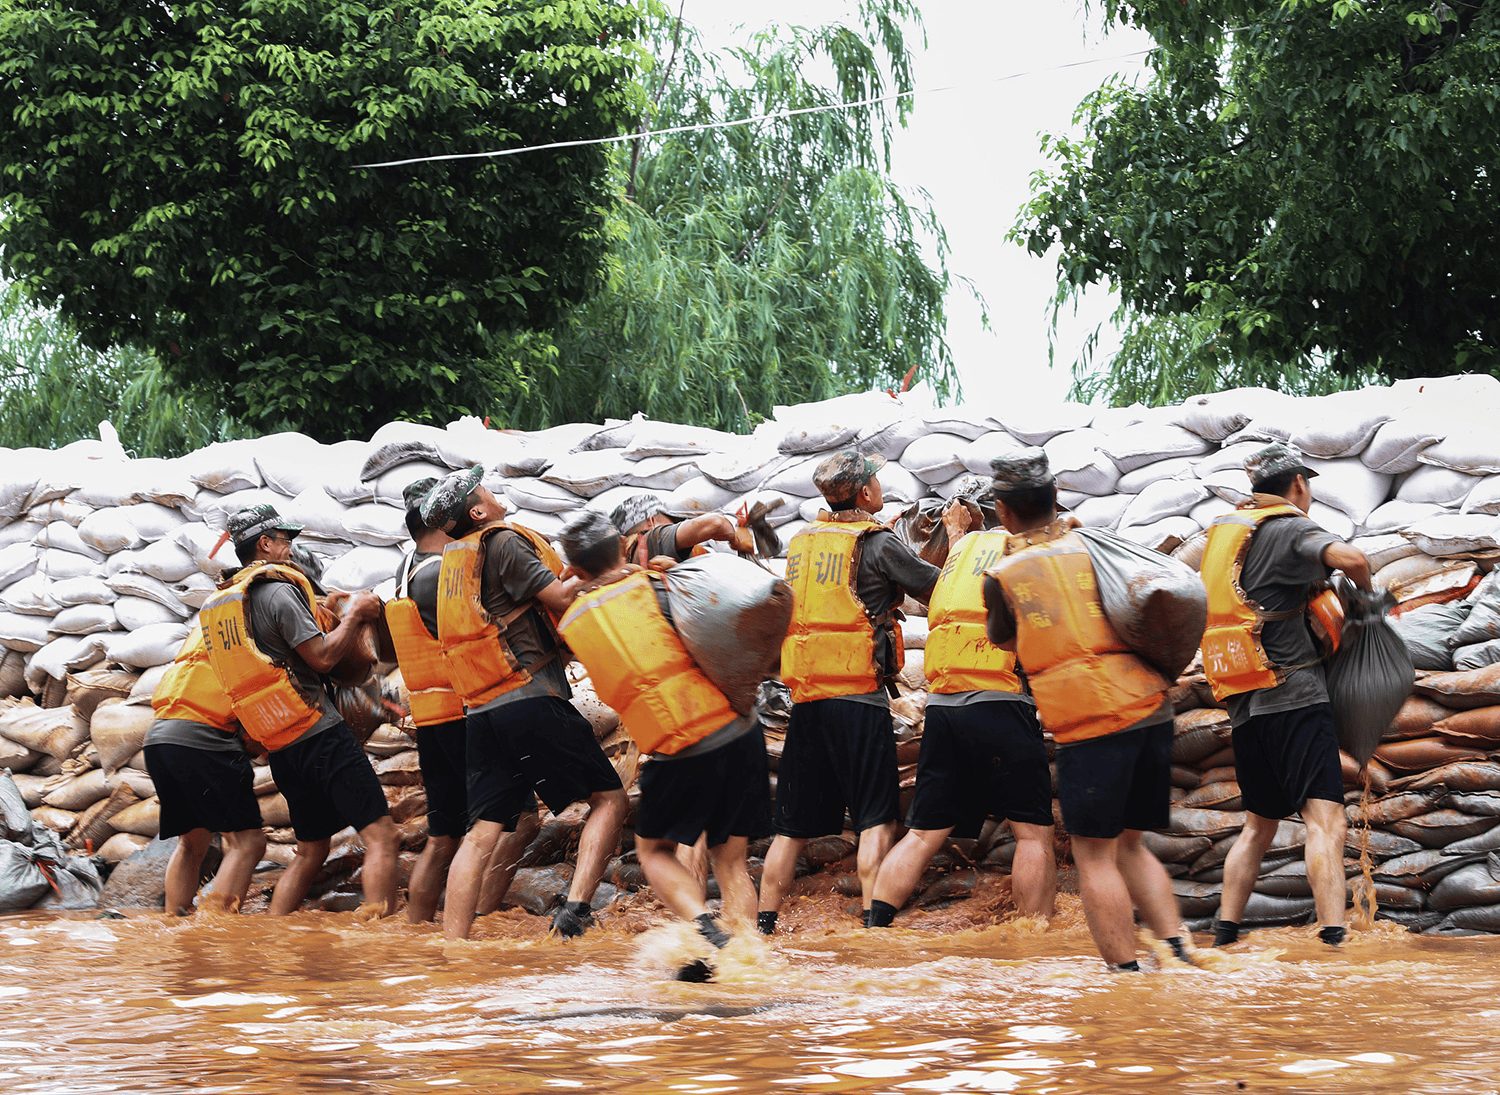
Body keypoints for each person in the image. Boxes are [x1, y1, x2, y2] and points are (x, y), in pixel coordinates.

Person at [981, 450, 1187, 972]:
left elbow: (1003, 639)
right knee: (1133, 846)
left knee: (1095, 855)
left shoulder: (1003, 573)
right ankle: (1181, 955)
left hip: (1092, 722)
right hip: (1149, 705)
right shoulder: (1095, 546)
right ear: (1056, 500)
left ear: (1004, 513)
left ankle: (1125, 976)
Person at [556, 510, 779, 975]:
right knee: (731, 861)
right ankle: (749, 964)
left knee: (652, 850)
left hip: (676, 750)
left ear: (574, 571)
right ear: (622, 546)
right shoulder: (660, 585)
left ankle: (702, 927)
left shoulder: (573, 623)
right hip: (737, 731)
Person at [758, 451, 965, 933]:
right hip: (859, 703)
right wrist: (955, 540)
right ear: (866, 493)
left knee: (790, 828)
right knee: (875, 819)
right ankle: (874, 925)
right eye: (877, 480)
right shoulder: (878, 543)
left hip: (806, 703)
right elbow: (940, 589)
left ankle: (764, 925)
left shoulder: (802, 543)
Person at [422, 467, 627, 941]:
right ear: (477, 510)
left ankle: (453, 946)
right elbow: (556, 599)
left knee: (482, 831)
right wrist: (598, 572)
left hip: (482, 709)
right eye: (486, 491)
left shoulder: (454, 559)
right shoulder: (503, 542)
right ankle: (576, 912)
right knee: (609, 798)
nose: (494, 495)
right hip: (528, 696)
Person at [1199, 442, 1371, 948]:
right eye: (1309, 485)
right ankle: (1333, 937)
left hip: (1244, 702)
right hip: (1293, 695)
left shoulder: (1227, 533)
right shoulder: (1289, 523)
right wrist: (1367, 599)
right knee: (1326, 819)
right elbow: (1351, 558)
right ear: (1298, 483)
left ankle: (1224, 934)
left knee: (1258, 826)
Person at [200, 504, 399, 917]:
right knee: (382, 835)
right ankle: (384, 943)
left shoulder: (223, 604)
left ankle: (276, 939)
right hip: (318, 733)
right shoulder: (278, 590)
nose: (290, 548)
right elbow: (322, 658)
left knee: (310, 850)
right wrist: (359, 614)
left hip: (280, 742)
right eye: (284, 540)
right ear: (265, 544)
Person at [866, 503, 1057, 927]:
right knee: (1032, 834)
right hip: (1001, 702)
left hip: (943, 708)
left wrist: (956, 531)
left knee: (923, 833)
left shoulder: (963, 551)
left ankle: (874, 925)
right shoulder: (1028, 546)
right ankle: (1036, 938)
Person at [142, 626, 267, 916]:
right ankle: (215, 930)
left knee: (193, 842)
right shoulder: (262, 618)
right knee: (248, 843)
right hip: (202, 738)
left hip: (159, 737)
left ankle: (176, 925)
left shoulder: (212, 624)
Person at [610, 494, 759, 567]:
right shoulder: (652, 540)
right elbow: (716, 523)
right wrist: (736, 539)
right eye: (672, 520)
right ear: (652, 521)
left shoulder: (627, 561)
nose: (676, 524)